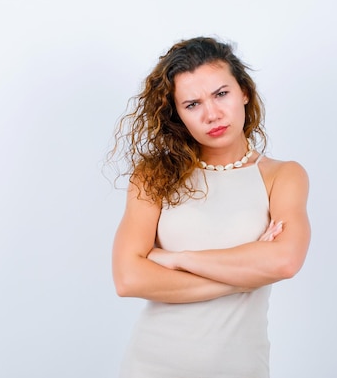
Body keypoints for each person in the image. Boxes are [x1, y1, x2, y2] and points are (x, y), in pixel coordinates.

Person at [108, 36, 311, 378]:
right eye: (192, 104)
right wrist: (245, 276)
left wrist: (178, 259)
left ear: (244, 91)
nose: (212, 114)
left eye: (221, 94)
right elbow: (128, 278)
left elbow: (285, 261)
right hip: (151, 365)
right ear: (178, 114)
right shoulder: (153, 176)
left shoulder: (282, 176)